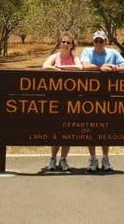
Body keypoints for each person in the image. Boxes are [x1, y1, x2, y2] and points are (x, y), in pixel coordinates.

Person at [80, 30, 124, 172]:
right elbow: (84, 66)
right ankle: (92, 158)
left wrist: (116, 68)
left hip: (107, 98)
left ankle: (106, 158)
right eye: (96, 41)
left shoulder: (113, 53)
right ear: (93, 42)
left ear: (106, 41)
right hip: (89, 97)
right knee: (90, 129)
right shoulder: (87, 51)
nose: (98, 43)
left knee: (105, 129)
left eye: (101, 41)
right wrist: (100, 68)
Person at [42, 31, 82, 171]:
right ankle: (52, 158)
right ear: (60, 43)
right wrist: (56, 67)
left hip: (71, 100)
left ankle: (63, 159)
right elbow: (45, 66)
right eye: (63, 42)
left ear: (72, 45)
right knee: (55, 130)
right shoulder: (55, 56)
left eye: (68, 42)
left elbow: (79, 68)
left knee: (68, 131)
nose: (65, 44)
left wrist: (61, 68)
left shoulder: (73, 57)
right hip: (56, 99)